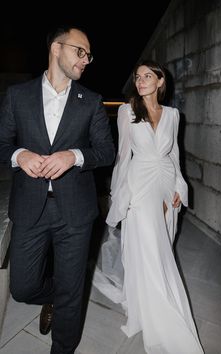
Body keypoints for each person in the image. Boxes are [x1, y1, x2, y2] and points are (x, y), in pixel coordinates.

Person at [0, 25, 115, 354]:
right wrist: (18, 155)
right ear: (56, 48)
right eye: (81, 51)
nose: (86, 60)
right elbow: (1, 143)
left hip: (75, 212)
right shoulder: (17, 96)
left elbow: (106, 152)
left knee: (71, 291)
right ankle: (53, 296)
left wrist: (74, 155)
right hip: (29, 207)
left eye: (88, 55)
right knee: (22, 287)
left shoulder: (90, 102)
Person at [93, 60, 204, 353]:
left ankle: (148, 299)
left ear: (160, 82)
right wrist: (120, 194)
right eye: (137, 77)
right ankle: (161, 311)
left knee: (160, 244)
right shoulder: (127, 111)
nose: (140, 81)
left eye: (147, 76)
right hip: (139, 186)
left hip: (166, 184)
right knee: (149, 246)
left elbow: (174, 155)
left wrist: (180, 187)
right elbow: (123, 156)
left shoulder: (173, 114)